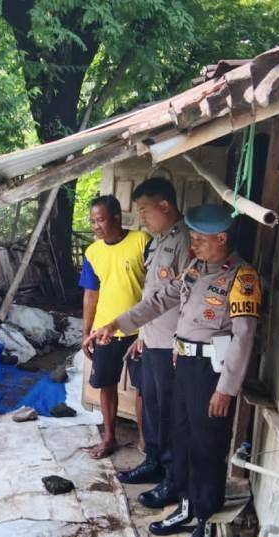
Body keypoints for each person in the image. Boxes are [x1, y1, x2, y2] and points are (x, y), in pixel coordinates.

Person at [84, 203, 261, 537]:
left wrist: (226, 389)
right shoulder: (196, 268)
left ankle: (206, 527)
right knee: (179, 437)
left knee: (206, 446)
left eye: (199, 240)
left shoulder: (242, 277)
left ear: (221, 238)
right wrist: (116, 324)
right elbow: (160, 300)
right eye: (191, 238)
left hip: (211, 373)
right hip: (183, 363)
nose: (192, 246)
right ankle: (186, 505)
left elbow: (244, 338)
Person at [116, 179, 191, 515]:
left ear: (164, 206)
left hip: (172, 343)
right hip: (152, 339)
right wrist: (142, 336)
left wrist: (177, 342)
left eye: (145, 210)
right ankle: (154, 462)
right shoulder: (160, 240)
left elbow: (182, 296)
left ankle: (172, 479)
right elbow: (152, 294)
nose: (141, 217)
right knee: (152, 407)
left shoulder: (186, 240)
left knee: (171, 412)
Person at [79, 195, 151, 459]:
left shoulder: (141, 241)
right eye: (92, 221)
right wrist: (86, 332)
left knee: (144, 388)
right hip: (104, 332)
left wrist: (149, 329)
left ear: (117, 218)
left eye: (100, 220)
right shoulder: (93, 252)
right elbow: (91, 294)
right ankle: (109, 438)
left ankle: (145, 441)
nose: (95, 226)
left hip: (139, 331)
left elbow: (155, 288)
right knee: (106, 383)